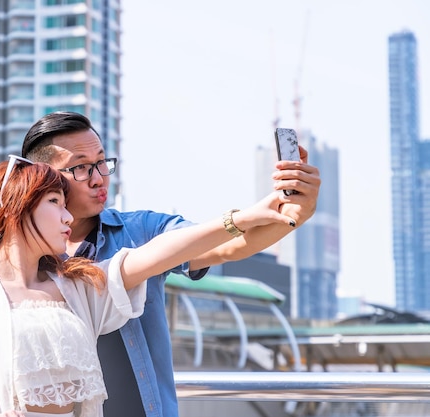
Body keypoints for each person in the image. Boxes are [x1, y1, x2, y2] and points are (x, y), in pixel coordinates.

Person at [0, 156, 298, 417]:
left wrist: (242, 217)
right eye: (56, 203)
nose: (67, 216)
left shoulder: (77, 289)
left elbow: (158, 252)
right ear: (17, 206)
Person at [21, 111, 321, 417]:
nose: (99, 178)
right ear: (42, 176)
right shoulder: (23, 259)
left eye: (101, 162)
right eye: (81, 168)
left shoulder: (139, 231)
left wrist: (296, 212)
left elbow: (224, 246)